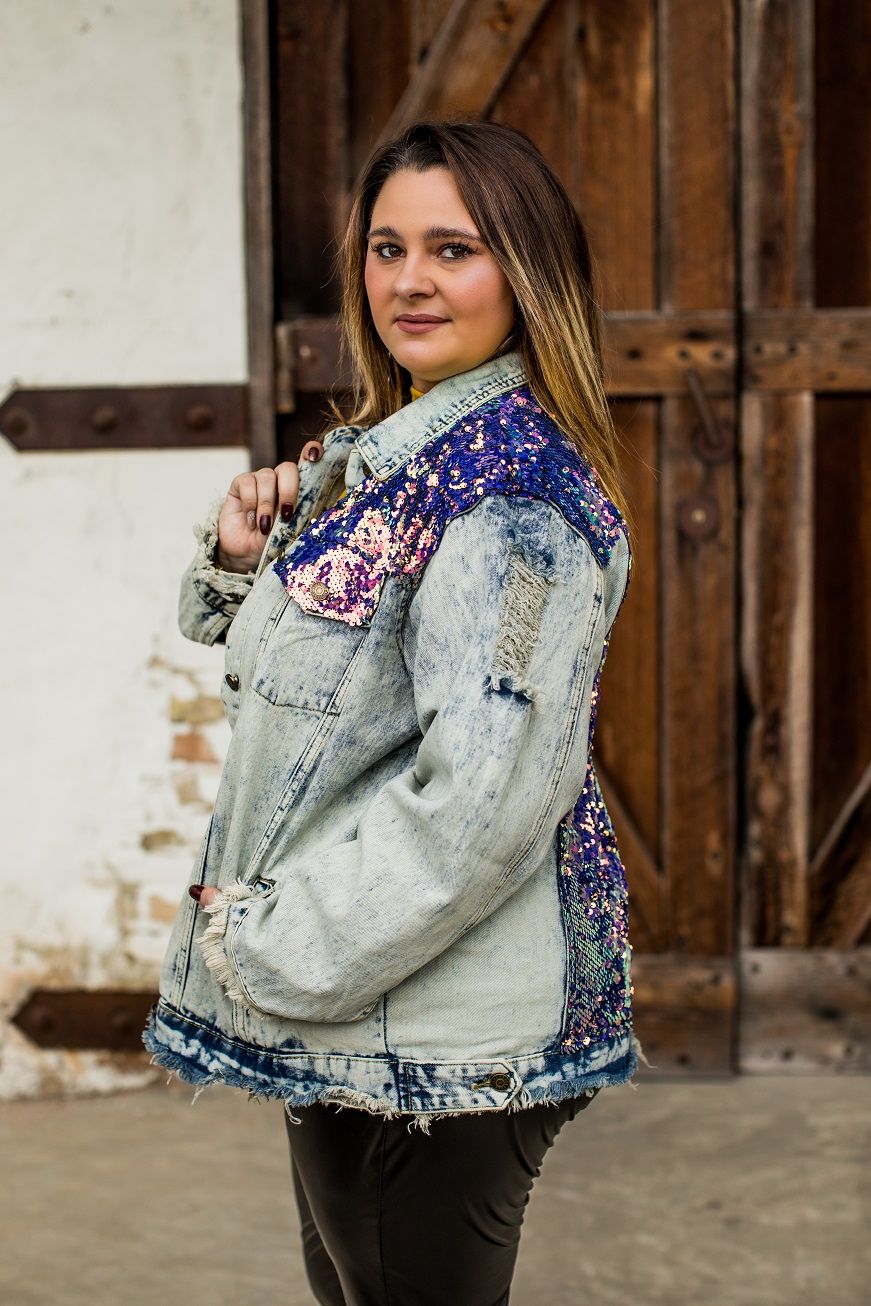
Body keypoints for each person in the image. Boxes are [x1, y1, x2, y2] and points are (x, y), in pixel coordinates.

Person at [144, 119, 648, 1305]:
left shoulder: (507, 499)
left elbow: (479, 803)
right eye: (386, 246)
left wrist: (270, 947)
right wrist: (241, 555)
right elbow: (317, 688)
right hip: (363, 1001)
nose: (409, 280)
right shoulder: (398, 458)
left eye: (454, 248)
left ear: (527, 272)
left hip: (419, 1021)